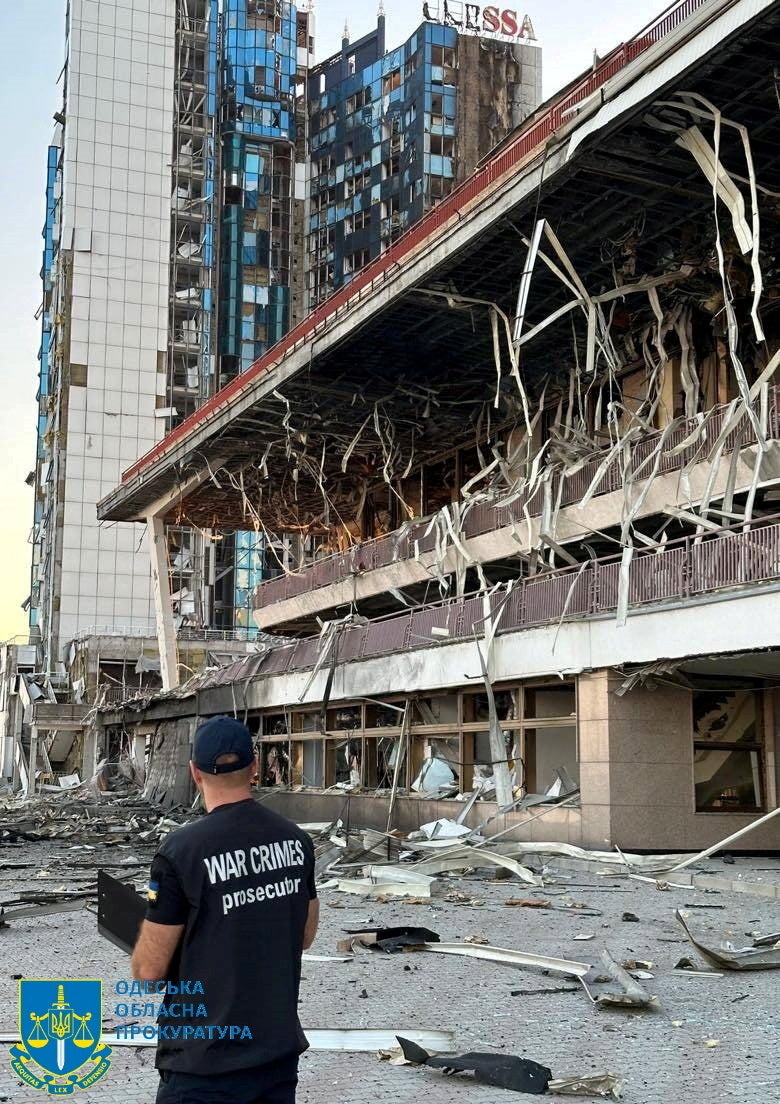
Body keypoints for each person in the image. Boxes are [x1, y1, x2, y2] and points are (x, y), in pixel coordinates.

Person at [131, 716, 319, 1104]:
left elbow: (149, 973)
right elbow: (304, 935)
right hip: (274, 1060)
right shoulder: (296, 841)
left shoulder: (180, 852)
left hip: (203, 1067)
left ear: (195, 773)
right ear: (254, 767)